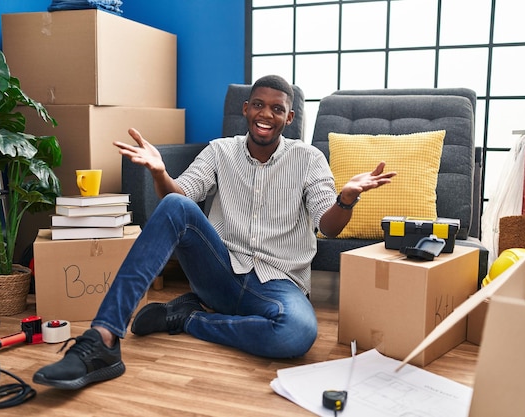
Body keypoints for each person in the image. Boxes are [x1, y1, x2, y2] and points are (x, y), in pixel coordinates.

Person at [33, 75, 396, 390]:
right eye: (258, 105)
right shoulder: (220, 150)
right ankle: (103, 338)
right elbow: (182, 200)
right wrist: (160, 174)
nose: (266, 114)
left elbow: (327, 227)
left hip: (277, 283)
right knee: (175, 206)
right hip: (219, 270)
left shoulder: (309, 159)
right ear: (246, 109)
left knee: (297, 334)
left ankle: (188, 319)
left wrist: (346, 199)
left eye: (276, 108)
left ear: (290, 116)